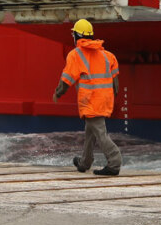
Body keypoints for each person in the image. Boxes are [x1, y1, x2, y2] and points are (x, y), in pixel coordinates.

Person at [52, 19, 122, 176]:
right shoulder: (108, 56)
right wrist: (111, 95)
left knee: (100, 133)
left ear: (77, 36)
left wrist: (58, 93)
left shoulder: (75, 55)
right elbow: (115, 82)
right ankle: (85, 162)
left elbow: (67, 79)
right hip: (105, 99)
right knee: (90, 131)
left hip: (90, 100)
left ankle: (114, 162)